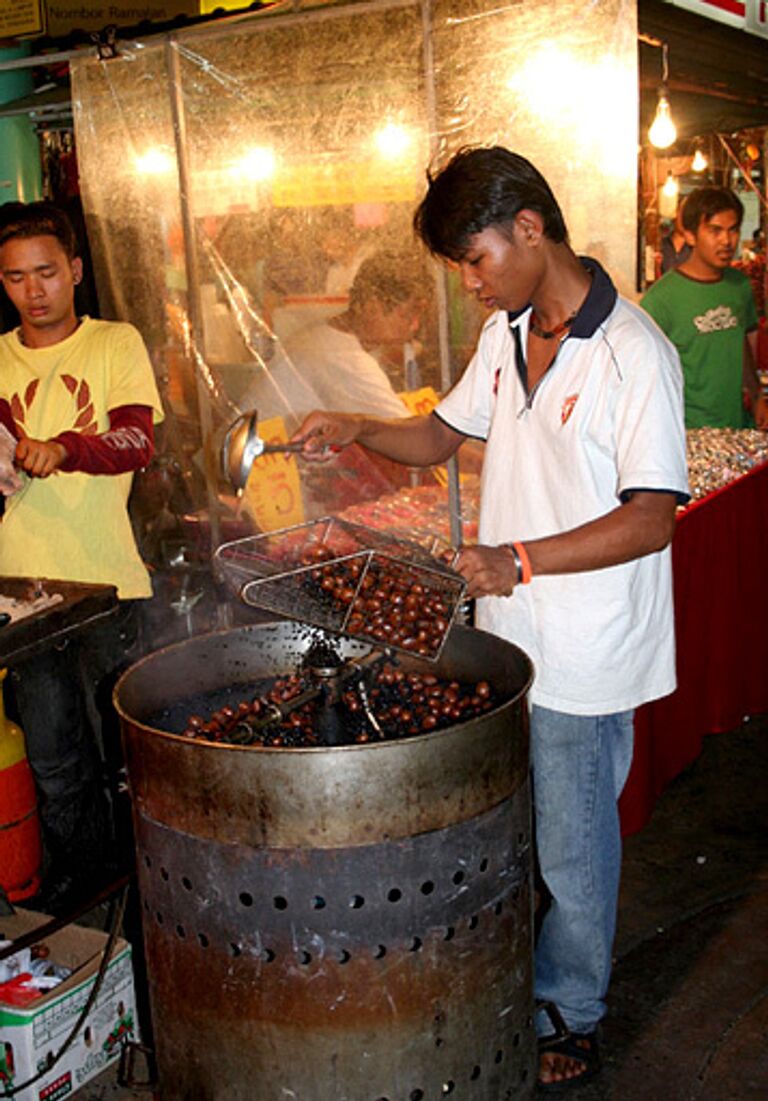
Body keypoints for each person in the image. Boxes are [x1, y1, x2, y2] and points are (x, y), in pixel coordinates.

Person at [292, 147, 689, 1091]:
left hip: (586, 649)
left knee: (573, 840)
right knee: (531, 824)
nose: (469, 284)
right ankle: (540, 975)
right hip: (509, 638)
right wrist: (356, 423)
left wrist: (514, 560)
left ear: (529, 227)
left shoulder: (636, 352)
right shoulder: (509, 334)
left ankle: (573, 1011)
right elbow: (439, 435)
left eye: (474, 260)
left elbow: (651, 516)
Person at [0, 201, 163, 915]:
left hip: (106, 583)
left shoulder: (114, 343)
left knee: (128, 755)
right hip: (22, 596)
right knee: (53, 758)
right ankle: (88, 884)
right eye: (14, 278)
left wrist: (64, 447)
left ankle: (151, 878)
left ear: (74, 271)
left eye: (45, 273)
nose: (33, 291)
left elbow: (137, 440)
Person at [241, 250, 425, 422]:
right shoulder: (343, 358)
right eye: (407, 315)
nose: (415, 325)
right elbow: (413, 442)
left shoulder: (328, 337)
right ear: (372, 306)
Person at [641, 186, 768, 429]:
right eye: (715, 230)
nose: (727, 241)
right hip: (687, 433)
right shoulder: (660, 300)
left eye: (733, 230)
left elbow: (740, 343)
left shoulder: (739, 285)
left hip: (736, 427)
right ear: (689, 235)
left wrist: (756, 395)